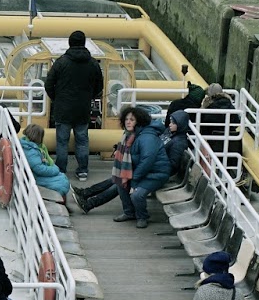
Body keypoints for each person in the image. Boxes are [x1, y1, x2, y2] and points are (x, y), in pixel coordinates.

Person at [73, 105, 169, 228]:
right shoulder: (130, 135)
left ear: (139, 121)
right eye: (126, 119)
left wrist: (134, 181)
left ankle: (142, 217)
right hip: (141, 171)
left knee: (136, 194)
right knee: (120, 183)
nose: (128, 122)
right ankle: (128, 212)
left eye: (132, 120)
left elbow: (147, 161)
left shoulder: (147, 137)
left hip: (156, 174)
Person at [45, 29, 101, 180]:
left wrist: (57, 99)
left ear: (69, 43)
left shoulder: (61, 62)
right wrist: (89, 97)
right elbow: (99, 86)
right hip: (83, 109)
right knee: (82, 140)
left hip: (63, 108)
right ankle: (83, 170)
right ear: (84, 43)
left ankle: (61, 170)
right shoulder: (93, 63)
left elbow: (48, 84)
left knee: (62, 141)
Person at [18, 123, 79, 206]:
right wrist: (54, 169)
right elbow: (39, 169)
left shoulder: (28, 147)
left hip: (36, 174)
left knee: (61, 179)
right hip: (37, 176)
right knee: (61, 183)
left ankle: (60, 202)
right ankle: (59, 202)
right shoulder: (32, 152)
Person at [164, 105, 191, 180]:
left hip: (163, 171)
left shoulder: (179, 143)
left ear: (180, 124)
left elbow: (173, 165)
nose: (170, 124)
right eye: (170, 122)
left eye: (173, 123)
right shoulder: (171, 134)